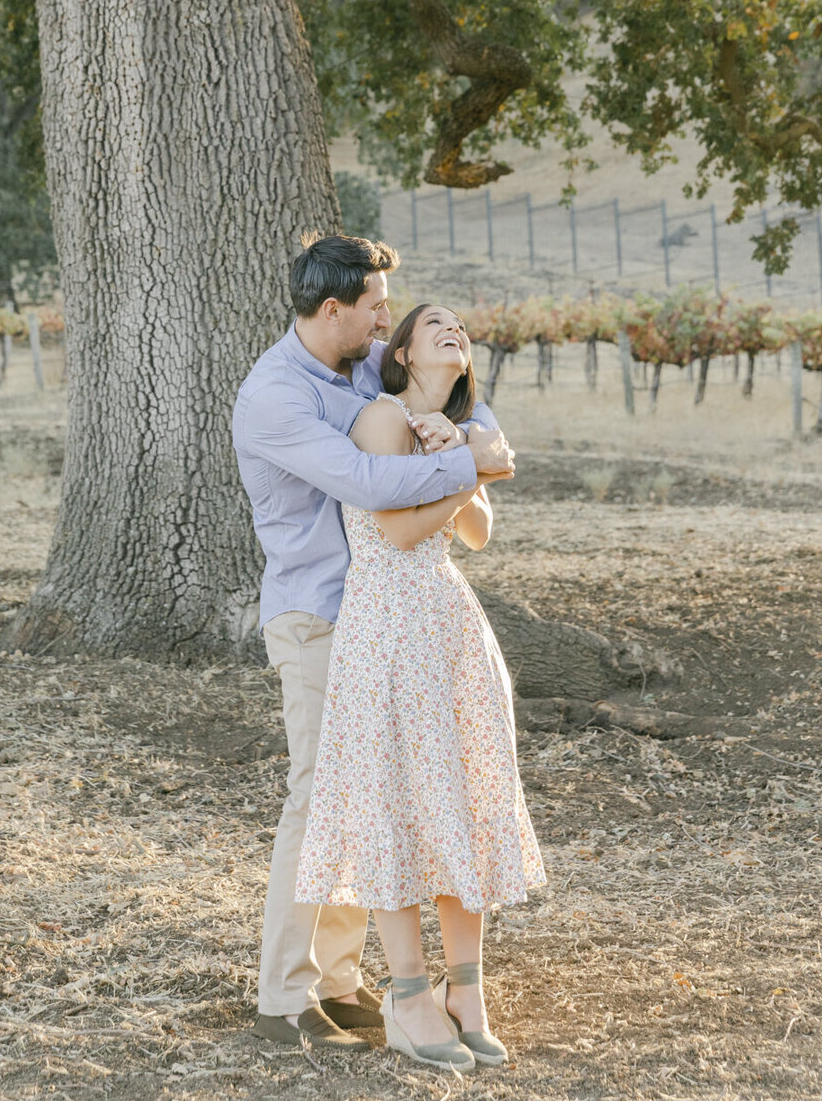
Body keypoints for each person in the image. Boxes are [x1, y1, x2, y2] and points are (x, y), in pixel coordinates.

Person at [232, 236, 515, 1051]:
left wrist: (473, 434)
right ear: (333, 312)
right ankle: (284, 998)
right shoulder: (275, 396)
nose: (388, 320)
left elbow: (452, 394)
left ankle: (343, 981)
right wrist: (472, 463)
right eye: (376, 308)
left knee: (372, 796)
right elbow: (369, 486)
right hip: (319, 612)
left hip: (384, 617)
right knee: (322, 794)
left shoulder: (361, 366)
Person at [294, 301, 544, 1071]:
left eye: (461, 330)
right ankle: (408, 999)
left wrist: (466, 452)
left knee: (463, 798)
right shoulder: (380, 420)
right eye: (433, 324)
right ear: (401, 352)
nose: (453, 331)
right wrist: (472, 466)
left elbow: (476, 534)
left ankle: (465, 990)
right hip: (387, 625)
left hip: (446, 621)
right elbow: (398, 531)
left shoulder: (456, 427)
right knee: (397, 808)